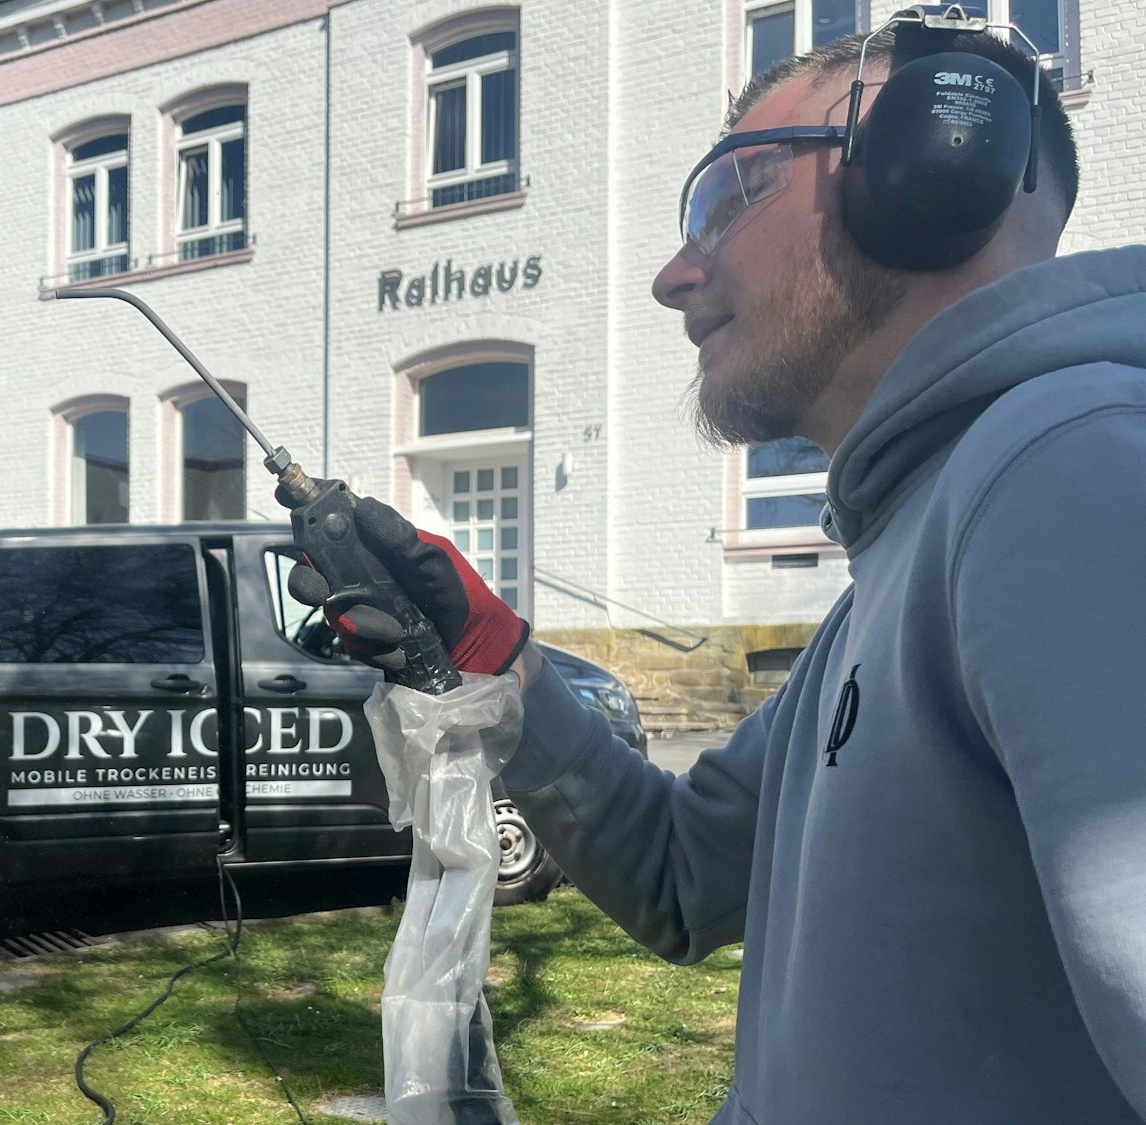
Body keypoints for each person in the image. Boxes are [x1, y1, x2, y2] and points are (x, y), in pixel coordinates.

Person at [290, 25, 1146, 1124]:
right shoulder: (895, 575)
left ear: (931, 164)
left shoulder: (1062, 471)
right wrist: (496, 667)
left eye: (730, 194)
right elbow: (679, 878)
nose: (672, 273)